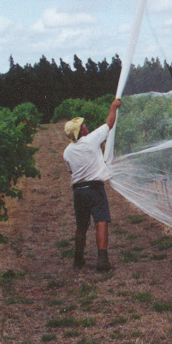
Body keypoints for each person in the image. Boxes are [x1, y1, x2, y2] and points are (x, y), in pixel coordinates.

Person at [63, 98, 121, 271]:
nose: (85, 126)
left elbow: (71, 172)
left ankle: (78, 260)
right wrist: (113, 106)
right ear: (81, 130)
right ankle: (102, 261)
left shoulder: (67, 151)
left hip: (78, 191)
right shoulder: (91, 139)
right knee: (101, 221)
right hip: (95, 189)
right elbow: (109, 123)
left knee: (81, 226)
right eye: (83, 125)